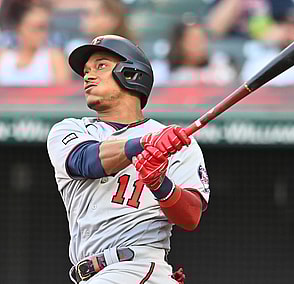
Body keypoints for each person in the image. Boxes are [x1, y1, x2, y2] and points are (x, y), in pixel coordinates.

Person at [47, 35, 210, 283]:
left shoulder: (176, 144)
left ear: (131, 73)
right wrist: (145, 144)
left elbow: (190, 217)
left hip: (135, 266)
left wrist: (160, 184)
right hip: (92, 273)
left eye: (101, 66)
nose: (88, 76)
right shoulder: (70, 130)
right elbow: (85, 160)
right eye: (86, 71)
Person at [0, 0, 70, 86]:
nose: (43, 34)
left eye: (45, 28)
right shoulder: (3, 58)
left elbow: (64, 94)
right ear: (19, 27)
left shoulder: (54, 58)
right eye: (37, 27)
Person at [166, 21, 237, 85]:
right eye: (193, 40)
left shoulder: (220, 64)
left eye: (202, 39)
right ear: (179, 43)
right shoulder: (162, 70)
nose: (200, 45)